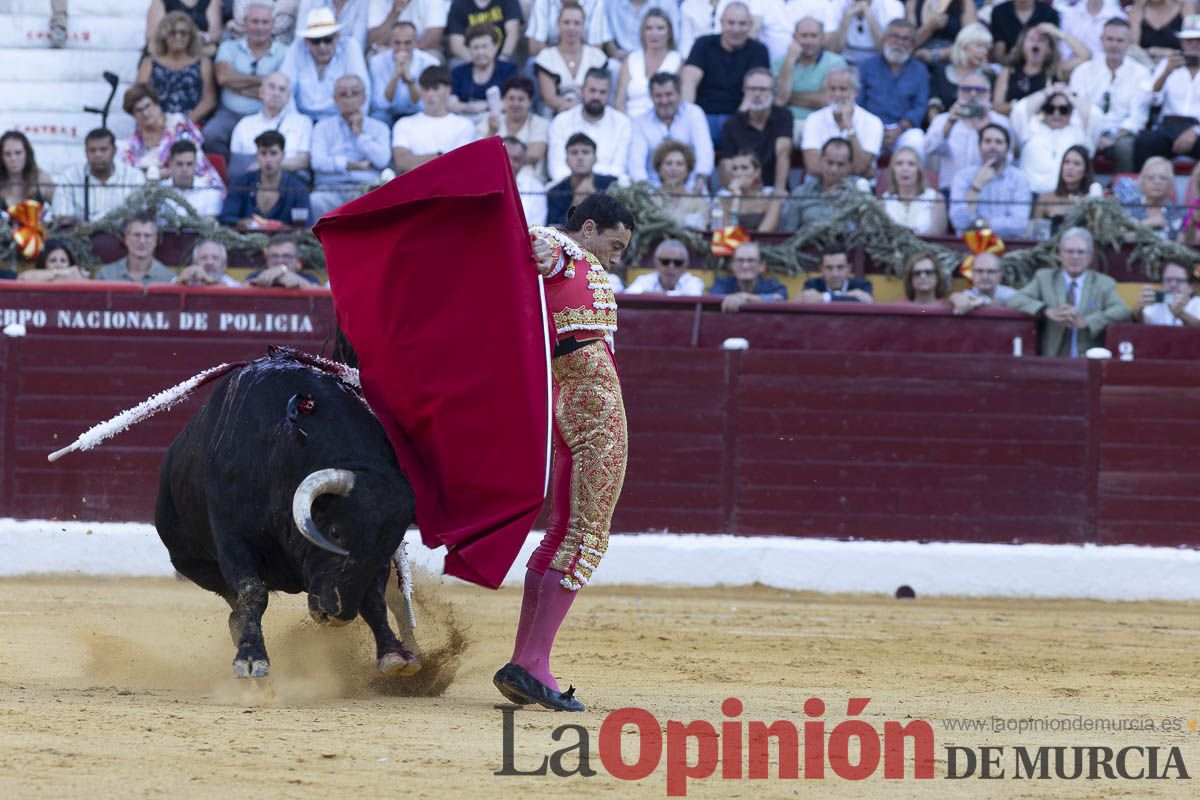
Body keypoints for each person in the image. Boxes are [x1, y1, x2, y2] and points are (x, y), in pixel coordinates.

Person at [493, 193, 634, 712]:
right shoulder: (556, 247)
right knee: (586, 534)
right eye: (614, 244)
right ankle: (532, 665)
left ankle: (524, 661)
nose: (617, 256)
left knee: (561, 531)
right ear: (589, 227)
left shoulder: (573, 261)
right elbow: (523, 246)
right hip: (589, 402)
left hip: (573, 395)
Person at [1006, 226, 1130, 356]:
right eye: (1070, 251)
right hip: (1052, 359)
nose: (1075, 257)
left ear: (1090, 256)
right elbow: (1015, 299)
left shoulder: (1103, 283)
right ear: (1060, 254)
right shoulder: (1044, 278)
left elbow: (1121, 310)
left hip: (1088, 360)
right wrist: (1046, 310)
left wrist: (1088, 322)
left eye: (1080, 252)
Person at [204, 1, 289, 157]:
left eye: (265, 22)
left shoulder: (284, 52)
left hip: (265, 114)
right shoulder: (229, 47)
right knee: (210, 135)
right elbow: (223, 78)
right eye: (255, 21)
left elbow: (280, 91)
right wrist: (264, 81)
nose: (260, 27)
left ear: (273, 25)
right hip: (229, 113)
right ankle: (224, 177)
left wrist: (235, 84)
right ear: (245, 24)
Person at [681, 2, 770, 149]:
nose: (736, 29)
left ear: (750, 25)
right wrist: (689, 117)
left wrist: (736, 123)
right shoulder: (703, 44)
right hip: (703, 116)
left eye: (742, 24)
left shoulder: (758, 50)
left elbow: (755, 90)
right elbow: (689, 79)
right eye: (731, 23)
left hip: (740, 117)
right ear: (721, 23)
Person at [1067, 18, 1147, 175]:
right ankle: (1081, 191)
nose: (1114, 45)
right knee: (1074, 141)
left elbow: (1138, 117)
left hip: (1120, 133)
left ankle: (1122, 192)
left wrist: (1113, 138)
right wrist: (1095, 135)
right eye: (1110, 39)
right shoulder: (1083, 71)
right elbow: (1076, 111)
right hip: (1087, 129)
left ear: (1129, 42)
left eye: (1119, 40)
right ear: (1101, 40)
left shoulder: (1141, 73)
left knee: (1125, 147)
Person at [310, 75, 392, 222]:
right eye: (343, 94)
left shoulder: (379, 127)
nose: (349, 98)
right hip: (330, 188)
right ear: (335, 99)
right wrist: (353, 165)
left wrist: (360, 134)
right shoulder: (322, 127)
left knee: (378, 200)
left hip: (366, 189)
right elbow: (318, 162)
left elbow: (382, 160)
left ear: (363, 98)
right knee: (316, 200)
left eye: (354, 93)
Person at [118, 84, 224, 193]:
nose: (145, 113)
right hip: (156, 196)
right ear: (133, 115)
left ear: (156, 104)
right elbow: (131, 178)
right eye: (138, 110)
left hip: (198, 187)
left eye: (147, 106)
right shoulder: (131, 145)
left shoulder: (179, 125)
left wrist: (155, 175)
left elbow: (193, 163)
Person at [924, 69, 1014, 196]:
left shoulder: (1001, 122)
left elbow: (1007, 160)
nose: (973, 94)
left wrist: (984, 131)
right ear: (958, 92)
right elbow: (929, 148)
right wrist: (949, 123)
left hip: (990, 191)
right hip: (951, 190)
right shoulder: (943, 120)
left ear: (989, 94)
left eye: (979, 90)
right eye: (967, 89)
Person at [280, 7, 371, 120]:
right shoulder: (296, 48)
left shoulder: (350, 48)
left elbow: (362, 89)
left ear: (337, 37)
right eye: (316, 41)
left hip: (338, 120)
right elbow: (284, 88)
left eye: (327, 39)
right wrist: (295, 121)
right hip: (301, 118)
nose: (322, 46)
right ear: (307, 41)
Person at [1133, 15, 1200, 167]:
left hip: (1197, 128)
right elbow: (1148, 99)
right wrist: (1166, 72)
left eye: (1198, 40)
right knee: (1144, 144)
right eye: (1190, 40)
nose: (1194, 45)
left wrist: (1195, 132)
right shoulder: (1167, 64)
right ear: (1182, 43)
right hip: (1168, 126)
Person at [856, 19, 930, 156]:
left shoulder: (920, 71)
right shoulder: (866, 66)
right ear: (884, 39)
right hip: (869, 127)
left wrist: (900, 129)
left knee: (917, 141)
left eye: (906, 39)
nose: (900, 43)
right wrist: (875, 128)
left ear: (913, 45)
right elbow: (858, 102)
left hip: (903, 130)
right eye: (895, 37)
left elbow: (920, 106)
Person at [627, 72, 713, 187]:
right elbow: (635, 163)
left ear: (679, 94)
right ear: (651, 97)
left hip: (691, 187)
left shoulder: (694, 114)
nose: (664, 101)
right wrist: (644, 194)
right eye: (658, 96)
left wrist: (699, 182)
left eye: (668, 94)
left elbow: (704, 151)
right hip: (652, 189)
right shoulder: (640, 121)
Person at [1010, 84, 1097, 195]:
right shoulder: (1031, 128)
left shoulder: (1079, 131)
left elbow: (1094, 115)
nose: (1056, 113)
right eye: (1050, 109)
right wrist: (1048, 92)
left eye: (1063, 109)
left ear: (1071, 112)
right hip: (1031, 195)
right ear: (1042, 110)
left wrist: (1069, 95)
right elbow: (1019, 111)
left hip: (1069, 196)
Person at [547, 68, 632, 182]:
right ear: (582, 91)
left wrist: (590, 183)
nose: (597, 97)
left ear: (609, 95)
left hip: (608, 190)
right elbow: (557, 169)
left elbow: (618, 169)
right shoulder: (561, 122)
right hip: (569, 189)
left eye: (602, 92)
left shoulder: (622, 123)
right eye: (592, 91)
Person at [948, 123, 1031, 238]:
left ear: (1007, 149)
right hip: (967, 247)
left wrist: (980, 223)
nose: (993, 146)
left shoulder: (1019, 179)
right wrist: (976, 186)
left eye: (998, 142)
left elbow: (1018, 224)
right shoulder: (963, 177)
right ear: (979, 147)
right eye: (987, 141)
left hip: (1008, 248)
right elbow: (959, 222)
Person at [718, 68, 792, 193]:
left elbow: (783, 153)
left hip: (771, 187)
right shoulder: (732, 124)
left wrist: (779, 192)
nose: (757, 94)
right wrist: (734, 188)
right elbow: (727, 163)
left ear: (773, 92)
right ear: (744, 92)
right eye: (751, 89)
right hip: (741, 189)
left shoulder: (783, 116)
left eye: (762, 89)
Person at [391, 66, 478, 172]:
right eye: (426, 89)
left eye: (436, 88)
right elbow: (402, 162)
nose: (430, 94)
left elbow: (461, 164)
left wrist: (425, 160)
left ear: (448, 90)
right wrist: (439, 157)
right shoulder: (403, 124)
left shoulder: (465, 125)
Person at [228, 71, 314, 179]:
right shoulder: (244, 125)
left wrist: (264, 165)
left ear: (288, 97)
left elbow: (303, 161)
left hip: (290, 182)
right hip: (252, 182)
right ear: (261, 92)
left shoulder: (302, 122)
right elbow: (237, 166)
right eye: (272, 87)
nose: (276, 93)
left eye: (282, 89)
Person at [801, 65, 883, 177]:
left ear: (856, 92)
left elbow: (861, 166)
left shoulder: (873, 122)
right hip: (819, 186)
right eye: (832, 89)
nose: (837, 94)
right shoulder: (814, 119)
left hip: (856, 188)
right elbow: (812, 166)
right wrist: (857, 169)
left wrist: (849, 126)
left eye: (843, 89)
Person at [137, 11, 218, 123]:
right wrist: (160, 121)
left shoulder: (203, 62)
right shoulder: (149, 63)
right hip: (155, 123)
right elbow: (138, 97)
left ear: (191, 36)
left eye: (183, 33)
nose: (178, 37)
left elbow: (209, 99)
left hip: (192, 123)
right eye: (172, 33)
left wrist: (184, 122)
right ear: (164, 35)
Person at [773, 17, 847, 139]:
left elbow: (825, 100)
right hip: (786, 123)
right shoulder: (780, 62)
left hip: (822, 124)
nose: (808, 41)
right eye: (804, 36)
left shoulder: (835, 62)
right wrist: (790, 61)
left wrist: (789, 97)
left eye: (813, 36)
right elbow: (780, 100)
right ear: (794, 37)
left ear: (822, 38)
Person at [54, 129, 148, 224]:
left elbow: (141, 219)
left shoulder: (134, 177)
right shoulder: (70, 178)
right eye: (92, 150)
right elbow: (63, 218)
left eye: (103, 150)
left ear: (114, 151)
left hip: (122, 236)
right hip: (80, 236)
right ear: (86, 152)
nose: (98, 155)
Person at [221, 130, 311, 226]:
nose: (268, 160)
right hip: (247, 239)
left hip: (287, 240)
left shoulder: (298, 189)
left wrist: (281, 228)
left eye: (273, 153)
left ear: (283, 155)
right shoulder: (240, 183)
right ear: (257, 156)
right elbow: (226, 218)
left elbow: (306, 227)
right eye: (263, 153)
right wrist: (243, 223)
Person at [536, 2, 611, 115]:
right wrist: (574, 108)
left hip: (591, 112)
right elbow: (549, 97)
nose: (571, 28)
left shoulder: (597, 56)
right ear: (558, 24)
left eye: (577, 23)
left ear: (583, 25)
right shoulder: (546, 57)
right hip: (556, 113)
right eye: (566, 22)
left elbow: (600, 92)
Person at [369, 21, 442, 125]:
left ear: (417, 43)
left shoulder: (430, 63)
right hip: (388, 114)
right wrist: (395, 76)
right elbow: (380, 104)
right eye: (397, 43)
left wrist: (409, 80)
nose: (402, 48)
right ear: (390, 42)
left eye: (407, 43)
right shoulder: (377, 62)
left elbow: (425, 105)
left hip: (417, 114)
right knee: (378, 117)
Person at [615, 9, 684, 119]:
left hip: (665, 121)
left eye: (660, 28)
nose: (654, 34)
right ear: (643, 33)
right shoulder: (631, 59)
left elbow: (681, 101)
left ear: (669, 32)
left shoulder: (678, 61)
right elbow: (619, 102)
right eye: (649, 28)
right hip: (630, 121)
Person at [783, 136, 861, 231]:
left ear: (850, 166)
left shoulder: (860, 195)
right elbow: (788, 234)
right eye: (830, 163)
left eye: (840, 164)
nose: (834, 170)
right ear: (821, 161)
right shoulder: (801, 194)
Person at [992, 24, 1071, 116]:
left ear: (1049, 49)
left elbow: (1085, 55)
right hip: (1012, 123)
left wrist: (1057, 32)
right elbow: (997, 107)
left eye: (1041, 40)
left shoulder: (1057, 70)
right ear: (1022, 45)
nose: (1036, 43)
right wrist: (1025, 106)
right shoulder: (1009, 71)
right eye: (1031, 39)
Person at [480, 77, 550, 177]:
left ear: (529, 102)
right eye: (511, 98)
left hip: (529, 183)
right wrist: (492, 131)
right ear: (503, 100)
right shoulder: (490, 122)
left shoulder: (540, 123)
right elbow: (481, 157)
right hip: (494, 178)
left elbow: (535, 154)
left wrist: (495, 155)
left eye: (521, 99)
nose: (515, 104)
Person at [925, 23, 996, 118]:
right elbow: (933, 107)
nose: (983, 51)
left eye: (986, 47)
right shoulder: (941, 72)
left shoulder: (989, 76)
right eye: (979, 46)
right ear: (963, 45)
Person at [545, 133, 617, 225]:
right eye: (574, 153)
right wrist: (575, 204)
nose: (580, 157)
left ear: (595, 159)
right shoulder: (555, 193)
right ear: (566, 161)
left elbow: (617, 224)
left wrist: (596, 200)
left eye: (585, 152)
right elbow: (553, 230)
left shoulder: (612, 184)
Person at [449, 24, 518, 118]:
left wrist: (484, 105)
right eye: (475, 47)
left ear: (495, 47)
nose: (480, 52)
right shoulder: (458, 72)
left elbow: (514, 103)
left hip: (499, 120)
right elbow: (451, 103)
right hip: (465, 119)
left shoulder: (509, 71)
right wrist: (468, 107)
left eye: (484, 47)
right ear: (469, 49)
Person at [1030, 145, 1099, 233]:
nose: (1070, 168)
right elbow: (1034, 236)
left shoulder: (1092, 201)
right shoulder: (1044, 199)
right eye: (1066, 162)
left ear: (1085, 171)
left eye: (1076, 164)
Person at [1113, 156, 1185, 240]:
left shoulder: (1177, 211)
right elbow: (1117, 235)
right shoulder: (1129, 206)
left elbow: (1180, 244)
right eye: (1151, 178)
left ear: (1170, 184)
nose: (1157, 182)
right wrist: (1148, 223)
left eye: (1163, 178)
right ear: (1142, 182)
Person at [94, 214, 177, 284]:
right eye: (137, 235)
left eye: (147, 235)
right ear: (126, 238)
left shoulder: (169, 279)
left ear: (155, 240)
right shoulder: (106, 276)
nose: (142, 241)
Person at [882, 146, 947, 235]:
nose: (904, 169)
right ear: (893, 170)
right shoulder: (883, 201)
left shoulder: (936, 198)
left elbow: (938, 235)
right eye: (899, 163)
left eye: (911, 164)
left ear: (919, 170)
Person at [709, 240, 788, 312]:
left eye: (751, 260)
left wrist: (746, 297)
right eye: (740, 260)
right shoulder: (722, 283)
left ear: (762, 266)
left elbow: (780, 297)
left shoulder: (771, 285)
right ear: (732, 265)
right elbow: (713, 298)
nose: (745, 266)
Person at [650, 139, 711, 229]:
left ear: (688, 170)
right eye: (668, 163)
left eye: (679, 164)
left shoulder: (698, 201)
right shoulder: (649, 200)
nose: (674, 168)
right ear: (659, 169)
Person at [715, 150, 781, 232]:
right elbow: (728, 233)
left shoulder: (772, 201)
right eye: (734, 168)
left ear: (757, 172)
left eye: (744, 168)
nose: (738, 173)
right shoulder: (724, 202)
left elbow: (763, 234)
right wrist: (736, 199)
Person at [162, 139, 225, 217]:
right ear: (170, 164)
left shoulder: (210, 193)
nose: (184, 169)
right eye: (179, 164)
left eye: (189, 164)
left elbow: (210, 226)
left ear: (195, 164)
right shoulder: (159, 192)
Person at [525, 0, 612, 56]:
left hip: (585, 58)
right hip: (550, 57)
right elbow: (535, 48)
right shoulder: (542, 2)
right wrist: (563, 58)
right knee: (532, 64)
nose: (571, 28)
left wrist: (575, 59)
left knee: (611, 66)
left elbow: (596, 49)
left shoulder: (596, 2)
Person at [445, 0, 523, 63]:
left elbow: (513, 33)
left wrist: (503, 57)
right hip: (472, 57)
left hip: (502, 55)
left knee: (512, 62)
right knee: (455, 63)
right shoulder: (459, 4)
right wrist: (479, 61)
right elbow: (456, 45)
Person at [625, 238, 705, 294]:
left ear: (685, 264)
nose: (671, 266)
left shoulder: (693, 282)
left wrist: (653, 295)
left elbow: (693, 296)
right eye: (665, 262)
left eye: (678, 262)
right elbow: (628, 296)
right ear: (656, 262)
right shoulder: (644, 280)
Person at [988, 0, 1059, 63]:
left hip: (1043, 65)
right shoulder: (999, 11)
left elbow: (1053, 50)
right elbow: (999, 54)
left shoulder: (1050, 13)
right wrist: (1012, 58)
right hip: (1009, 65)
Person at [800, 242, 875, 303]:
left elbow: (867, 300)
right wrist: (849, 297)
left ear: (848, 268)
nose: (835, 274)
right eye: (829, 268)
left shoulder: (862, 285)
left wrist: (823, 297)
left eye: (840, 267)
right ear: (821, 269)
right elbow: (805, 299)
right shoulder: (812, 284)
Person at [606, 0, 680, 60]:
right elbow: (606, 33)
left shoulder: (668, 3)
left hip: (659, 56)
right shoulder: (610, 3)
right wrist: (615, 53)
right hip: (622, 58)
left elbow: (674, 37)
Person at [0, 131, 55, 210]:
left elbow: (61, 209)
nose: (13, 158)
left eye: (18, 153)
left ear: (27, 153)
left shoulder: (41, 178)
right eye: (8, 154)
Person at [1133, 260, 1200, 325]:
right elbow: (1143, 326)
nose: (1172, 285)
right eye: (1168, 280)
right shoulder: (1157, 305)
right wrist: (1139, 311)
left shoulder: (1197, 303)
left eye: (1179, 280)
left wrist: (1181, 314)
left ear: (1192, 286)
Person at [947, 251, 1016, 313]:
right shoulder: (967, 295)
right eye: (979, 271)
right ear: (972, 274)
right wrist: (954, 297)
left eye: (991, 271)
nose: (985, 277)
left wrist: (984, 301)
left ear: (1000, 274)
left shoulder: (1012, 295)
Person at [246, 232, 323, 286]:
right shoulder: (254, 277)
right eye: (274, 256)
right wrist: (258, 282)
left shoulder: (309, 279)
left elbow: (320, 296)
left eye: (286, 256)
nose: (280, 260)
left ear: (297, 259)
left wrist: (300, 283)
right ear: (267, 258)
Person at [145, 0, 223, 52]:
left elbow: (216, 35)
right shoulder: (160, 1)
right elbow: (151, 35)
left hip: (200, 52)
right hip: (166, 52)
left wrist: (199, 38)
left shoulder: (211, 1)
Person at [910, 0, 977, 58]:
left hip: (951, 57)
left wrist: (937, 54)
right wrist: (929, 27)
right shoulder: (913, 2)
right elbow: (908, 42)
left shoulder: (965, 2)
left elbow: (971, 42)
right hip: (917, 56)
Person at [504, 136, 548, 225]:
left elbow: (536, 228)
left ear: (523, 163)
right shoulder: (482, 184)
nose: (511, 163)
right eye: (506, 157)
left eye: (516, 159)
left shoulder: (536, 188)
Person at [176, 238, 243, 286]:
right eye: (204, 258)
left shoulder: (234, 286)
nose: (210, 262)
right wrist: (181, 282)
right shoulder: (185, 280)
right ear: (195, 263)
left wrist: (208, 280)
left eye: (215, 258)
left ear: (224, 265)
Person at [16, 240, 87, 283]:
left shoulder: (77, 274)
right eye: (53, 260)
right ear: (43, 262)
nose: (58, 264)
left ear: (69, 263)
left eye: (63, 260)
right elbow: (22, 278)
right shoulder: (31, 275)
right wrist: (62, 273)